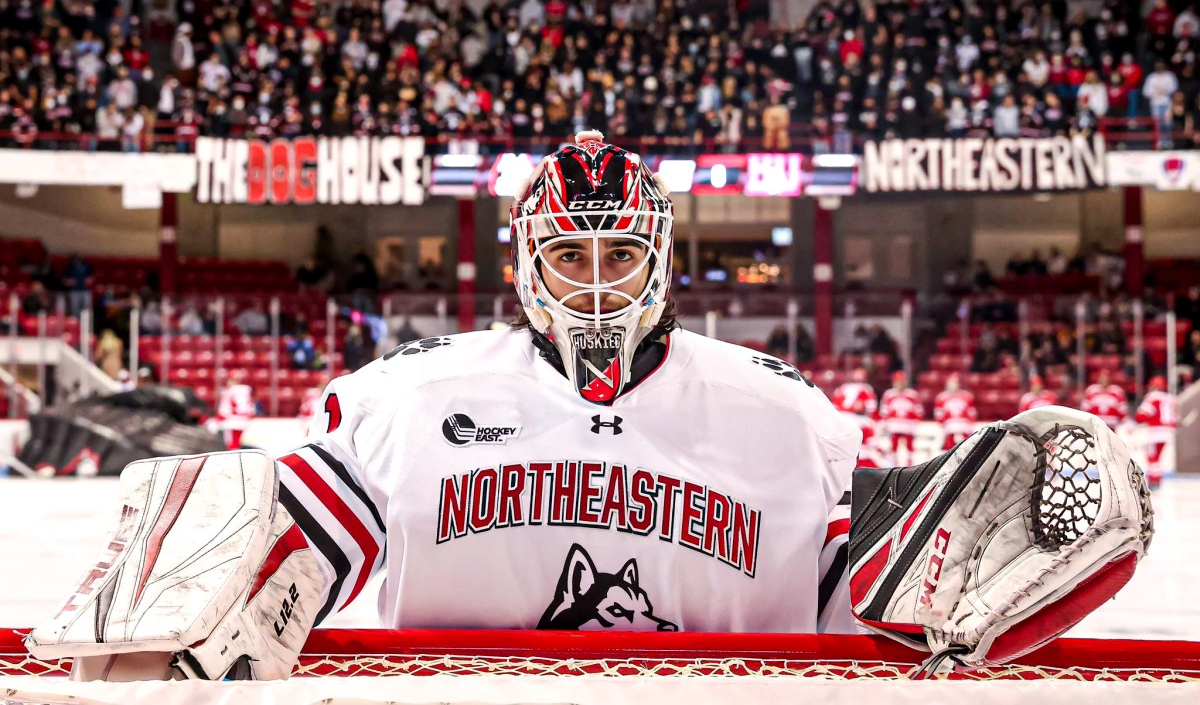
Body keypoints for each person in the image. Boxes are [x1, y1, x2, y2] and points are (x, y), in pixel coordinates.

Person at [274, 131, 861, 634]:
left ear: (659, 260)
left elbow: (877, 616)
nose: (596, 284)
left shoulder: (791, 416)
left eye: (622, 253)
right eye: (570, 254)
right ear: (529, 264)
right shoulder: (406, 400)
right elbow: (267, 572)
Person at [1136, 376, 1177, 489]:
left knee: (1152, 457)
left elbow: (1142, 415)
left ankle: (1154, 480)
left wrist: (1138, 419)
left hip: (1155, 432)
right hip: (1168, 432)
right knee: (1158, 457)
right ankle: (1157, 479)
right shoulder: (1170, 398)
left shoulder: (1152, 397)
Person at [878, 371, 923, 466]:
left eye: (901, 381)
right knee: (894, 444)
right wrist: (885, 423)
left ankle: (910, 463)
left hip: (908, 424)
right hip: (894, 424)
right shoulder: (889, 394)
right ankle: (893, 463)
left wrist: (916, 423)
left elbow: (918, 411)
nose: (899, 384)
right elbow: (884, 411)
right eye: (897, 381)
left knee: (910, 445)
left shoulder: (912, 394)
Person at [210, 370, 258, 450]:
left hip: (231, 422)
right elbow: (250, 408)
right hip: (243, 421)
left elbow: (225, 410)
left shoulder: (230, 391)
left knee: (231, 445)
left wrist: (218, 420)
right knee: (236, 443)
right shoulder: (246, 390)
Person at [934, 374, 977, 451]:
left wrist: (971, 423)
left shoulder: (966, 396)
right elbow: (939, 413)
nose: (953, 385)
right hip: (949, 423)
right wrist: (941, 423)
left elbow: (971, 412)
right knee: (949, 443)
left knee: (967, 443)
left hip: (963, 422)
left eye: (954, 383)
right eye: (951, 383)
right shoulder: (941, 397)